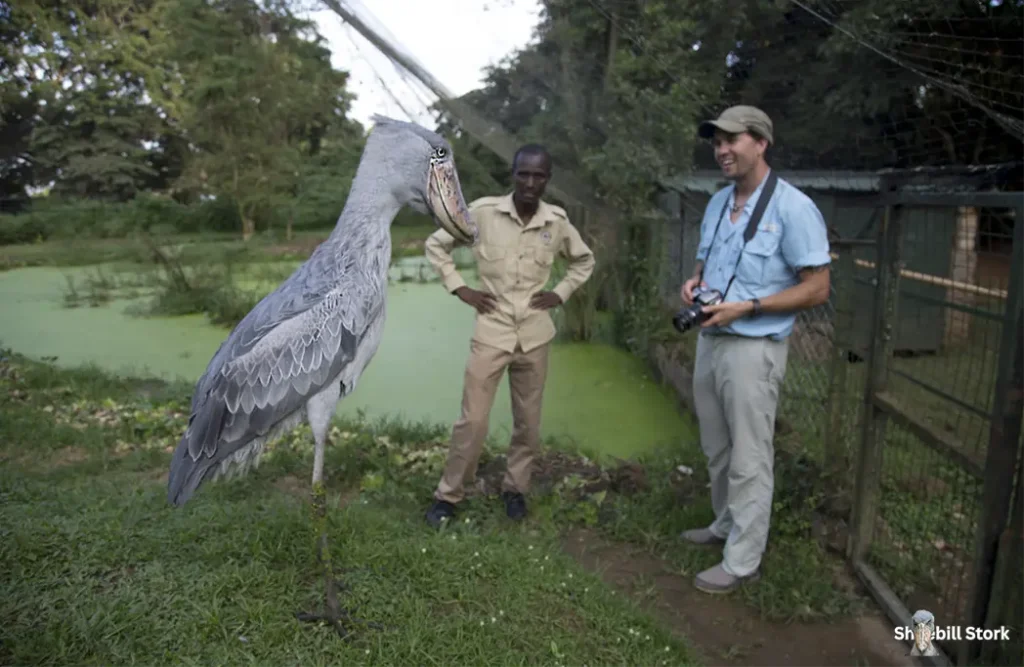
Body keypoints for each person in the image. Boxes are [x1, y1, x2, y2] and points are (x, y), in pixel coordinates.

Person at [678, 105, 831, 594]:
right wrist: (694, 284)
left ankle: (742, 560)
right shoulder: (718, 203)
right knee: (717, 449)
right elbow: (705, 264)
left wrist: (750, 306)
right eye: (716, 142)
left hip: (753, 347)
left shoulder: (793, 208)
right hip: (711, 338)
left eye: (732, 139)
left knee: (749, 455)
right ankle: (724, 526)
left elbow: (818, 288)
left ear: (761, 143)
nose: (722, 150)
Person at [423, 144, 595, 527]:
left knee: (528, 423)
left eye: (539, 176)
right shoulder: (483, 213)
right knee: (473, 421)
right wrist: (460, 288)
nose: (531, 182)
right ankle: (449, 495)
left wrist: (560, 293)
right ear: (513, 174)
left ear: (548, 180)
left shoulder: (557, 222)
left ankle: (515, 489)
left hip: (534, 335)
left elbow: (583, 261)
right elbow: (437, 245)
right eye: (524, 174)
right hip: (492, 332)